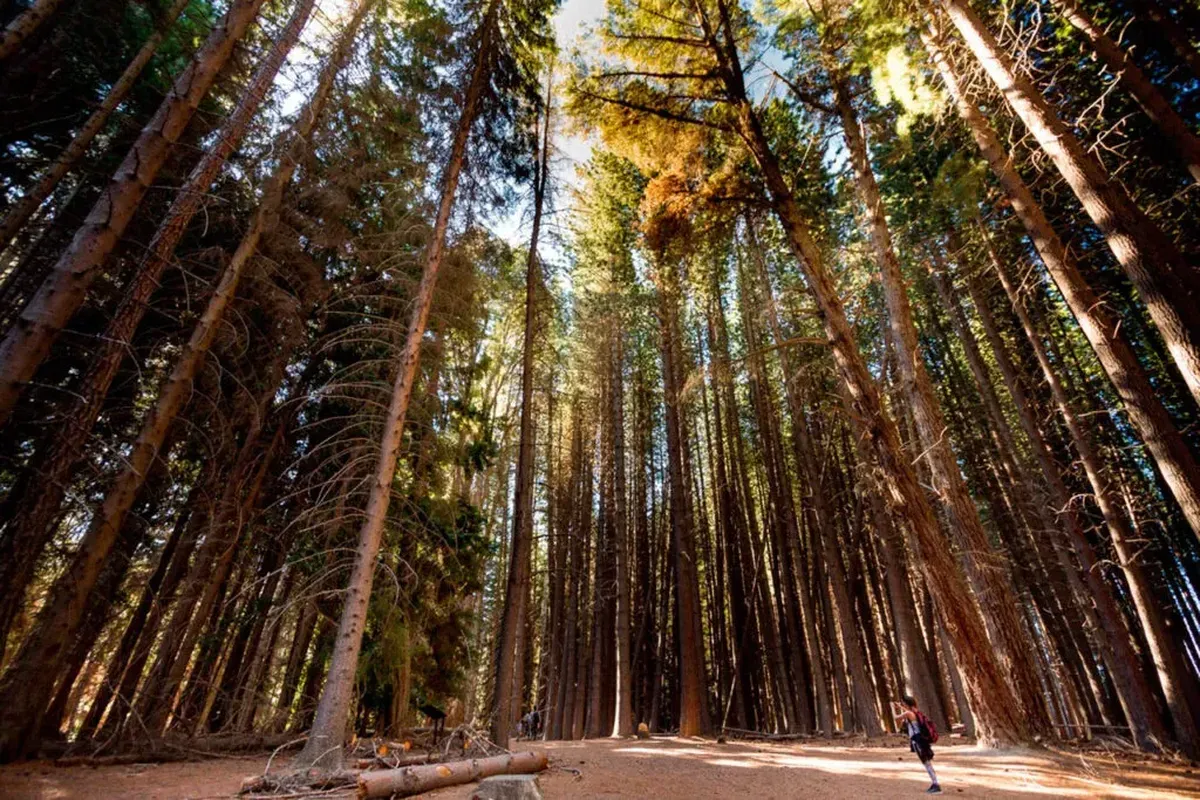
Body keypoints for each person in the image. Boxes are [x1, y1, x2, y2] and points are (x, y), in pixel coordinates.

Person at [892, 694, 941, 794]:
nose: (902, 704)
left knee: (926, 763)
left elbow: (896, 718)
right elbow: (908, 712)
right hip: (921, 740)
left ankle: (936, 785)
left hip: (917, 741)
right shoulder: (915, 711)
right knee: (927, 762)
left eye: (903, 703)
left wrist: (893, 708)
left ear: (906, 703)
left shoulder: (909, 714)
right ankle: (935, 783)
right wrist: (900, 707)